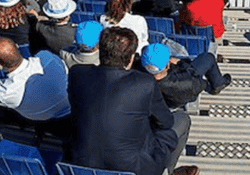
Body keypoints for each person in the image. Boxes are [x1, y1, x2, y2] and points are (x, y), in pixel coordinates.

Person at [67, 26, 199, 175]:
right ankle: (166, 171)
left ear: (100, 50)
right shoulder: (145, 83)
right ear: (131, 58)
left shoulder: (77, 73)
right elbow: (166, 122)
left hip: (80, 164)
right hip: (134, 168)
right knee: (181, 119)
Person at [0, 36, 71, 123]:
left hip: (41, 118)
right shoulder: (47, 58)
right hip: (71, 104)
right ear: (17, 47)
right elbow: (65, 69)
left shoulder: (5, 91)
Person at [141, 42, 232, 109]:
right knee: (208, 57)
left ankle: (218, 83)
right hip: (176, 100)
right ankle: (218, 84)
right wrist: (180, 63)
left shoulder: (136, 77)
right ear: (167, 65)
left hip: (161, 97)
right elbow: (198, 82)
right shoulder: (183, 82)